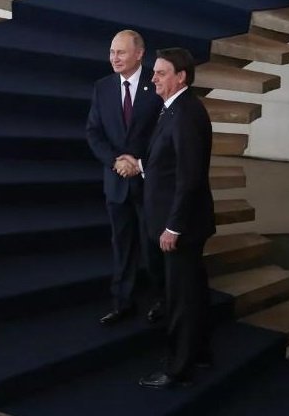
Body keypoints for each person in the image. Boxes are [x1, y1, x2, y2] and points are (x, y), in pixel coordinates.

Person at [123, 48, 216, 388]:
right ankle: (199, 354)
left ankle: (178, 369)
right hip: (181, 221)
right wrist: (141, 165)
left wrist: (173, 227)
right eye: (155, 72)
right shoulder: (176, 107)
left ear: (181, 77)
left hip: (180, 227)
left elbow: (189, 178)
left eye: (161, 73)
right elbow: (169, 161)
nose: (153, 78)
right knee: (192, 294)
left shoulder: (186, 114)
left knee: (180, 300)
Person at [86, 30, 165, 325]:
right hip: (117, 182)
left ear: (139, 54)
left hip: (150, 182)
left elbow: (163, 133)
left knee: (153, 246)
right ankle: (123, 303)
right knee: (122, 246)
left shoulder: (156, 83)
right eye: (111, 52)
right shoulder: (102, 87)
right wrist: (115, 161)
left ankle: (163, 300)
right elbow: (94, 133)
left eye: (120, 52)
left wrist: (139, 164)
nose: (114, 58)